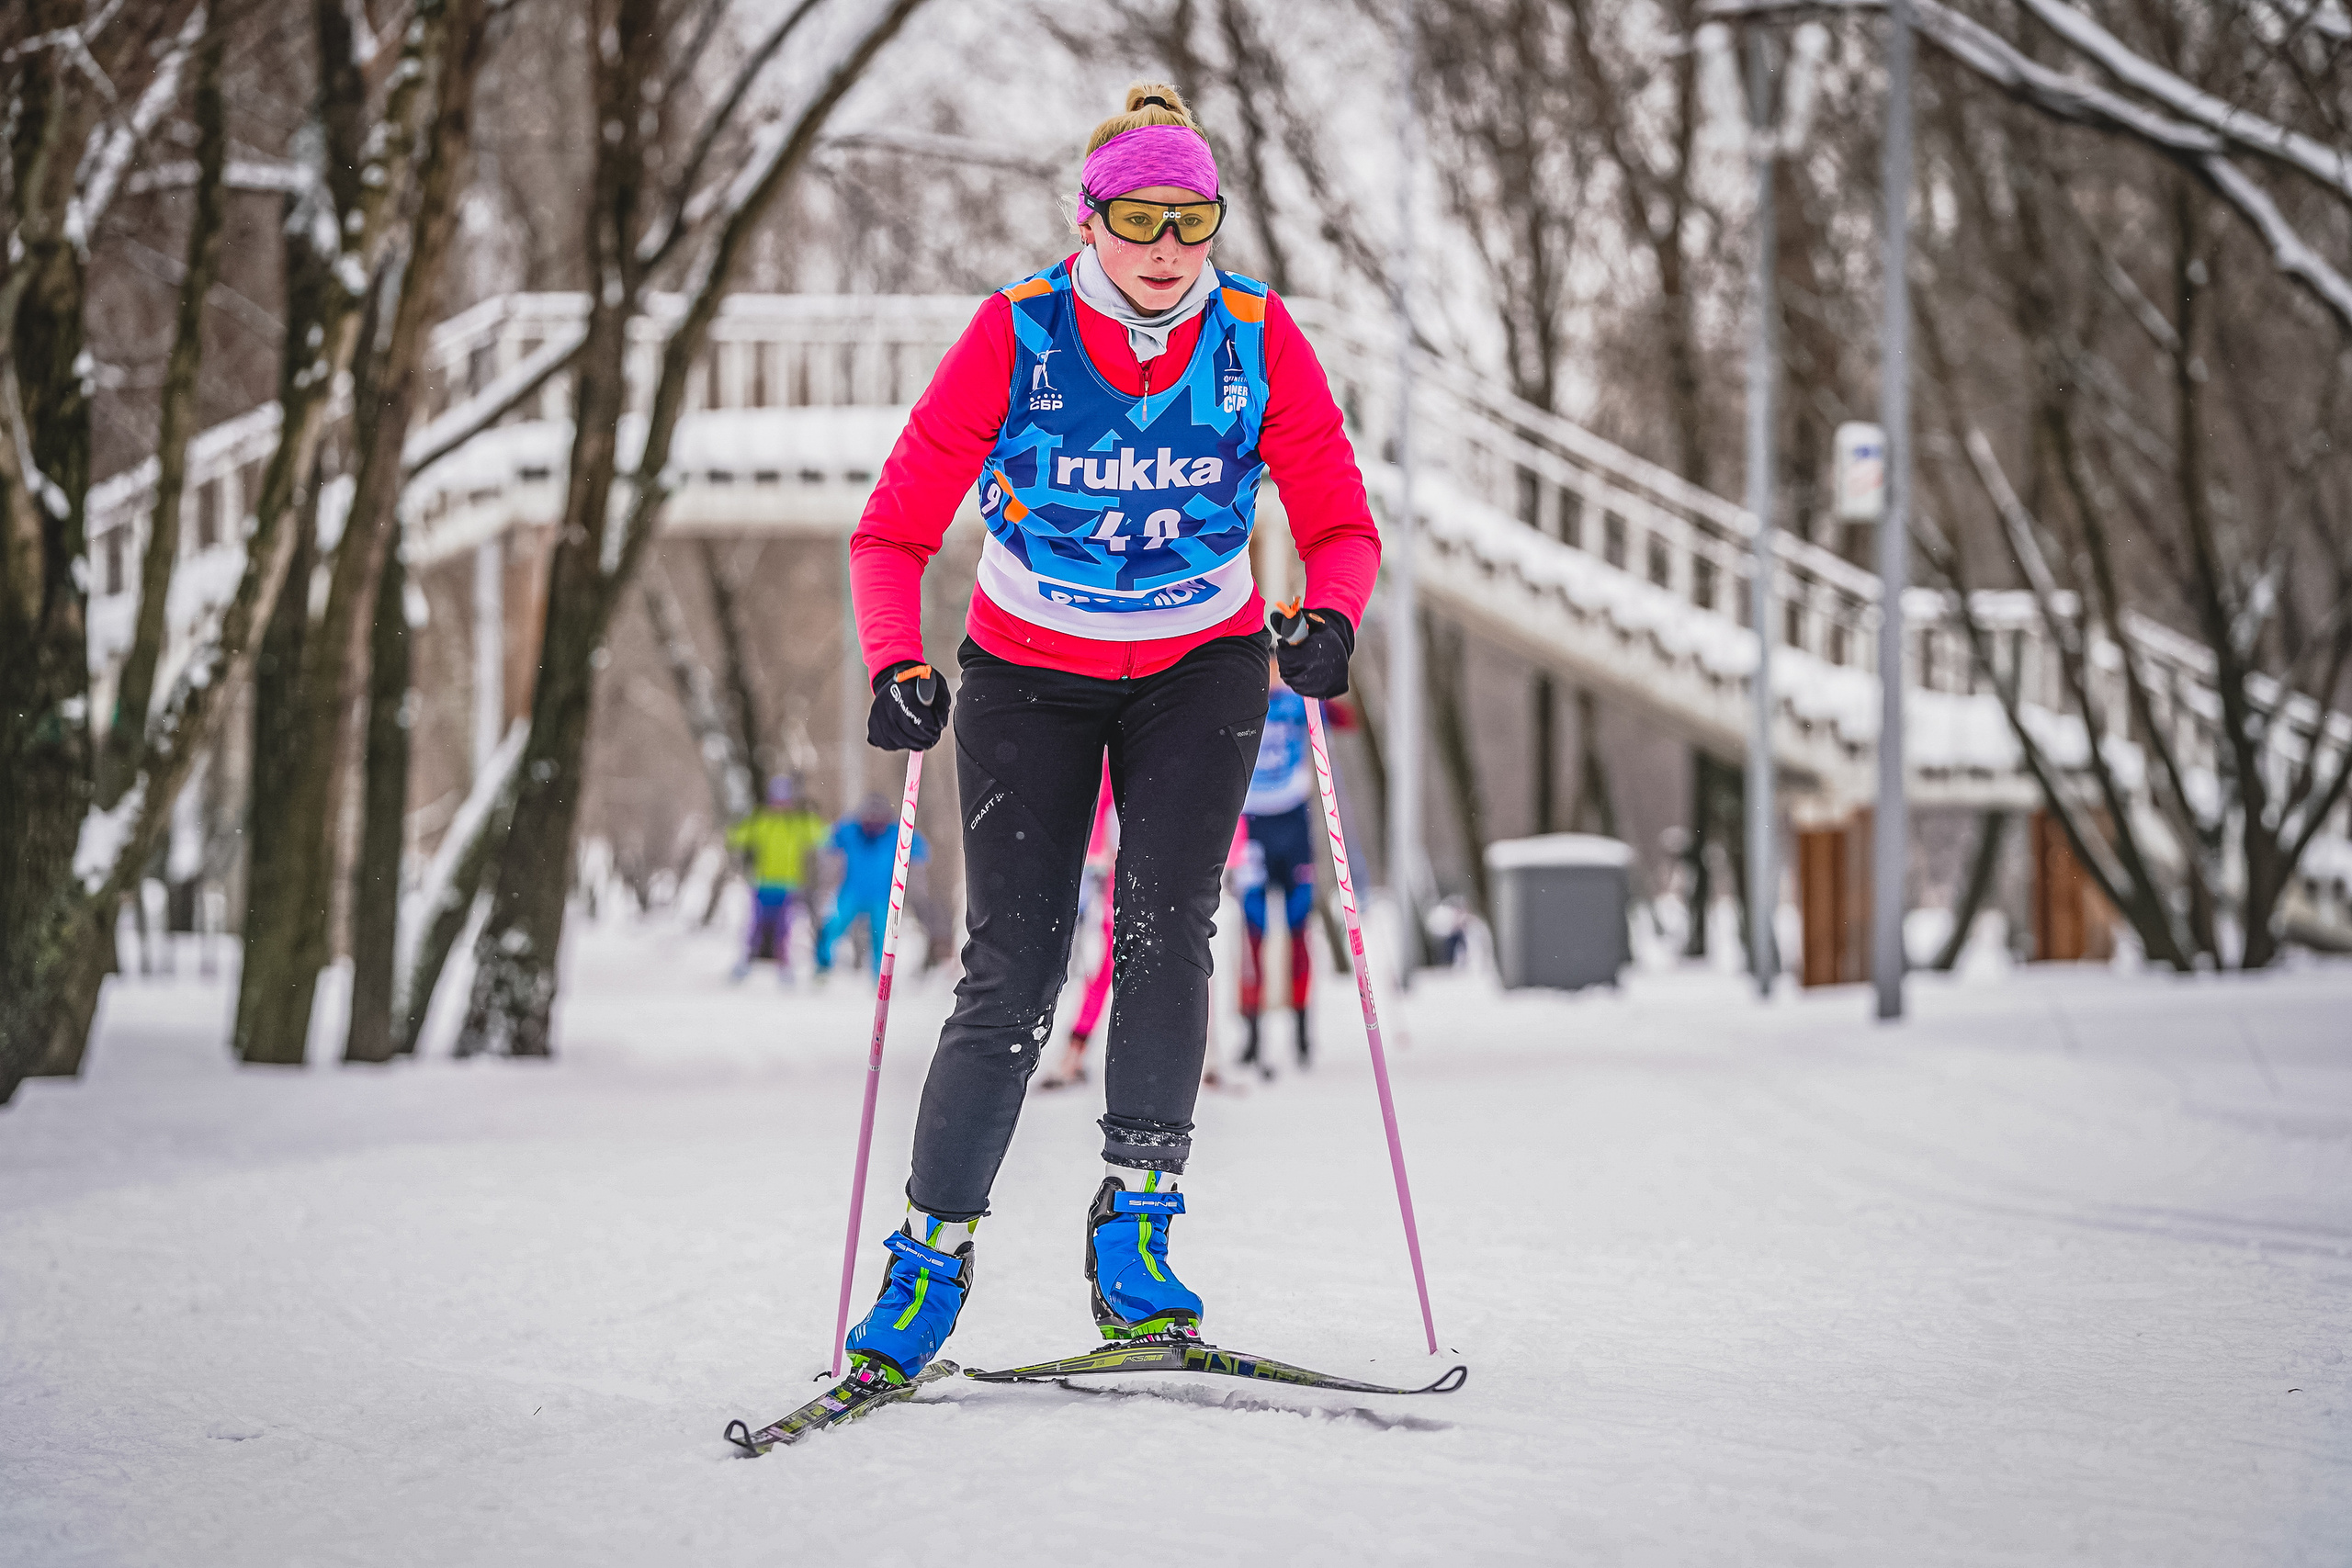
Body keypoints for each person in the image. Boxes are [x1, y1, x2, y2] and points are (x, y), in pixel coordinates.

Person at [837, 84, 1379, 1389]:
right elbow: (893, 528)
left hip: (1202, 665)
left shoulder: (1256, 339)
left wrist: (1331, 619)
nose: (1164, 247)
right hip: (1030, 668)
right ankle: (929, 1258)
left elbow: (1341, 520)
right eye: (1137, 218)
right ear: (1090, 220)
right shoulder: (1019, 334)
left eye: (1192, 221)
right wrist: (895, 659)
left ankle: (1137, 1229)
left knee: (1166, 930)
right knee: (1013, 970)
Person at [1235, 663, 1318, 1075]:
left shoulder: (1295, 703)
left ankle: (1303, 1031)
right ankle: (1251, 1034)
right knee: (1253, 933)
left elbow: (1342, 716)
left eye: (1276, 666)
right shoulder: (1241, 701)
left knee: (1300, 928)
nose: (1269, 674)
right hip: (1253, 825)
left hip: (1293, 822)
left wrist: (1313, 682)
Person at [1035, 762, 1119, 1090]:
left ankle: (1073, 1053)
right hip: (1097, 878)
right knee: (1092, 970)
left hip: (1118, 883)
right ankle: (1069, 1052)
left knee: (1105, 970)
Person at [726, 776, 827, 982]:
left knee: (784, 929)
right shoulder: (761, 820)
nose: (780, 805)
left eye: (785, 800)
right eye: (777, 800)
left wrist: (812, 813)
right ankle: (744, 964)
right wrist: (741, 816)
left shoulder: (798, 823)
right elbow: (736, 837)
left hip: (788, 885)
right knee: (755, 926)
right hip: (762, 883)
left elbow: (821, 837)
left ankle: (784, 967)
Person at [817, 793, 930, 976]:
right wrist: (829, 866)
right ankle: (823, 965)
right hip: (851, 893)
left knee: (883, 939)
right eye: (870, 815)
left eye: (878, 816)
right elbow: (828, 839)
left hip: (882, 896)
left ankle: (880, 975)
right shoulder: (851, 830)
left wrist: (916, 870)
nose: (874, 820)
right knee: (833, 928)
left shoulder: (895, 833)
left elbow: (919, 846)